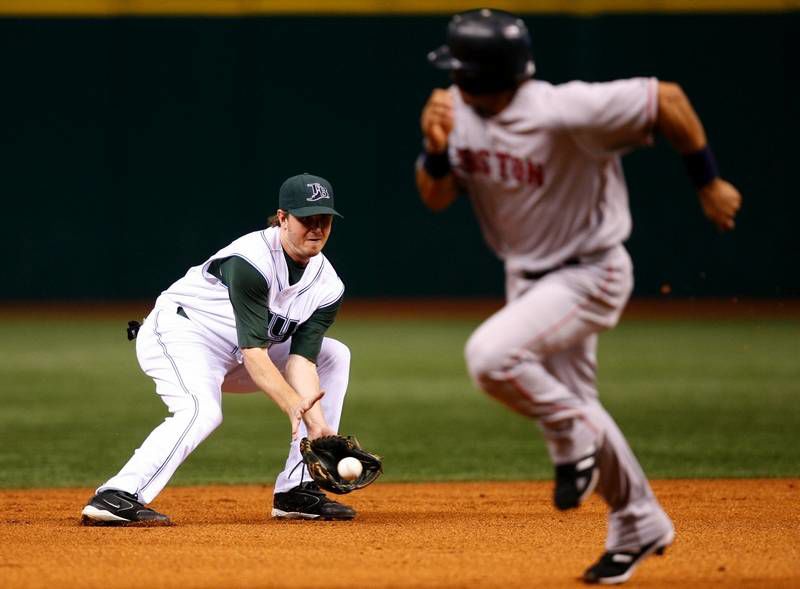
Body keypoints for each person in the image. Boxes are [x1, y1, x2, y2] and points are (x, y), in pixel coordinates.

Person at [417, 9, 741, 585]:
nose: (452, 79)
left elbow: (668, 100)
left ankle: (575, 441)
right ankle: (638, 520)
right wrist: (436, 149)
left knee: (490, 358)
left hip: (590, 272)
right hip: (527, 277)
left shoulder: (561, 110)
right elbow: (435, 198)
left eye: (460, 69)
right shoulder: (454, 112)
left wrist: (708, 180)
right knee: (574, 396)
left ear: (485, 75)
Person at [81, 173, 358, 524]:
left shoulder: (328, 284)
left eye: (324, 220)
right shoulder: (251, 261)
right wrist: (292, 406)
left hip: (237, 354)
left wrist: (318, 426)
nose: (316, 229)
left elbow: (301, 360)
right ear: (283, 218)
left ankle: (297, 491)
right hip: (182, 334)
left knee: (335, 355)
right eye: (306, 219)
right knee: (202, 410)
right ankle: (116, 495)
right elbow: (256, 355)